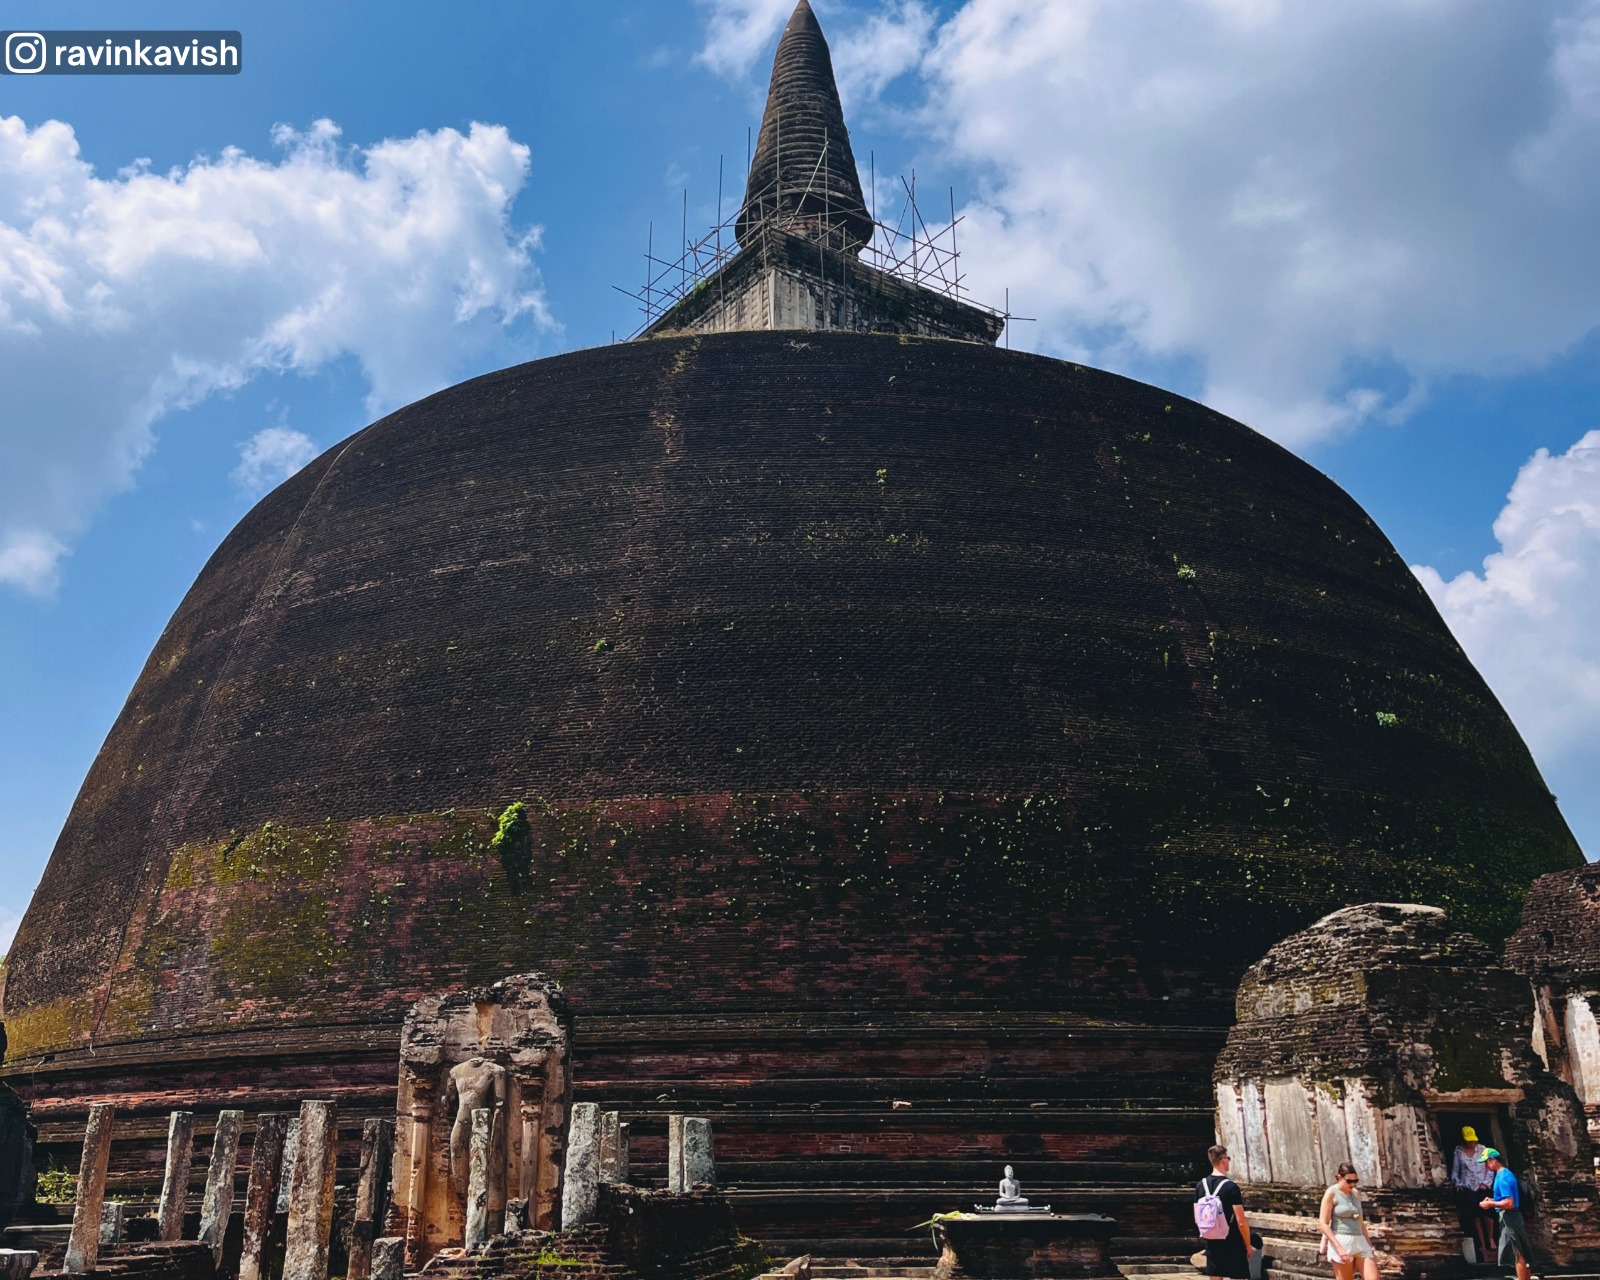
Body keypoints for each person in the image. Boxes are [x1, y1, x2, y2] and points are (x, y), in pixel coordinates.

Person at [1196, 1144, 1253, 1280]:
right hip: (1231, 1237)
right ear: (1223, 1160)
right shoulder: (1231, 1187)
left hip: (1211, 1238)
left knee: (1215, 1275)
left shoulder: (1200, 1185)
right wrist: (1248, 1244)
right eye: (1228, 1158)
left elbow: (1197, 1215)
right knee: (1238, 1275)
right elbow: (1240, 1221)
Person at [1479, 1148, 1534, 1280]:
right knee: (1520, 1251)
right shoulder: (1503, 1175)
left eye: (1486, 1162)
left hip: (1510, 1216)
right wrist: (1492, 1200)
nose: (1485, 1166)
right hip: (1512, 1216)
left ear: (1493, 1160)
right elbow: (1505, 1198)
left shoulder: (1503, 1176)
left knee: (1517, 1252)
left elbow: (1509, 1203)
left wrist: (1490, 1204)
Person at [1318, 1162, 1378, 1280]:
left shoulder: (1355, 1194)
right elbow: (1323, 1224)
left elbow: (1360, 1222)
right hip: (1341, 1239)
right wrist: (1339, 1248)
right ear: (1339, 1177)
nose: (1352, 1184)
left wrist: (1370, 1247)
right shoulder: (1331, 1193)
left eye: (1355, 1181)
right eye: (1349, 1181)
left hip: (1359, 1240)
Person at [1451, 1125, 1495, 1261]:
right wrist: (1457, 1183)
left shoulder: (1482, 1149)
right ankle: (1482, 1244)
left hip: (1483, 1184)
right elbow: (1456, 1169)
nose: (1472, 1143)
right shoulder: (1459, 1151)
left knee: (1488, 1214)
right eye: (1469, 1141)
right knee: (1476, 1216)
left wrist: (1486, 1183)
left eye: (1473, 1141)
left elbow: (1490, 1167)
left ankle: (1491, 1239)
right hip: (1468, 1186)